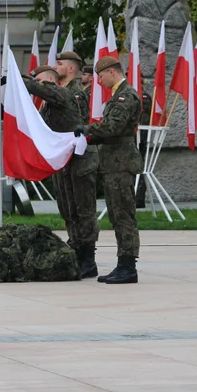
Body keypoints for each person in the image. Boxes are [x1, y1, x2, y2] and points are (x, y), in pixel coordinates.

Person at [21, 52, 99, 277]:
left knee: (84, 210)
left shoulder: (72, 93)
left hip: (81, 159)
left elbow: (48, 91)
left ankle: (88, 257)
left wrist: (20, 79)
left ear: (72, 69)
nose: (56, 66)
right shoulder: (55, 97)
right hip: (64, 159)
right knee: (68, 209)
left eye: (59, 63)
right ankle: (75, 247)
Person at [77, 56, 142, 284]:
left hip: (121, 164)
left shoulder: (125, 96)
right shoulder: (117, 94)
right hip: (114, 163)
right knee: (116, 214)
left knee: (123, 214)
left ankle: (128, 266)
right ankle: (122, 264)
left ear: (112, 71)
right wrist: (89, 136)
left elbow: (113, 127)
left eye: (101, 75)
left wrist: (85, 130)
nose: (100, 80)